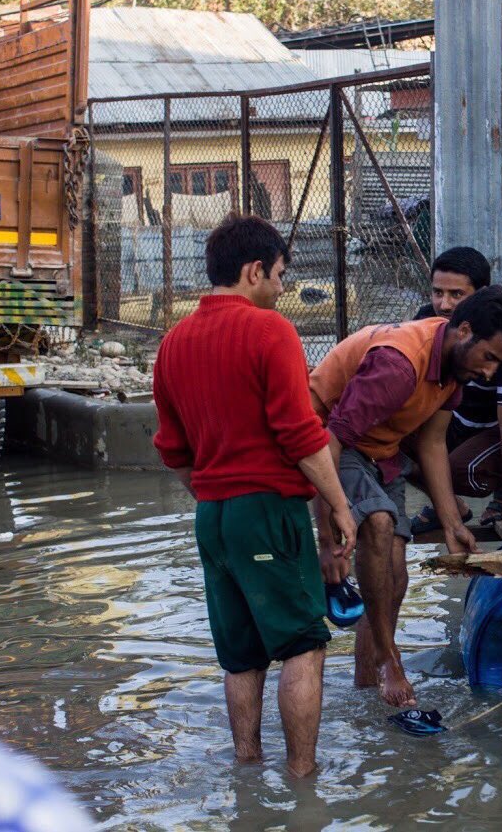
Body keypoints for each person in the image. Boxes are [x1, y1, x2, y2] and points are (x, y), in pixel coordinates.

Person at [152, 214, 357, 778]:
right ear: (254, 271)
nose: (283, 288)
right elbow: (300, 433)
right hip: (268, 509)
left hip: (212, 517)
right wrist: (339, 506)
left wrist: (216, 496)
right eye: (280, 275)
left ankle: (246, 769)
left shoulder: (172, 343)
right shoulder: (272, 331)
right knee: (303, 645)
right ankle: (303, 780)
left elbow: (173, 449)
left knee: (240, 655)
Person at [308, 287, 502, 707]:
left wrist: (452, 524)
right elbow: (328, 442)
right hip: (327, 441)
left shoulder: (454, 366)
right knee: (378, 522)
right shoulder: (399, 365)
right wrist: (327, 540)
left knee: (394, 576)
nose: (490, 373)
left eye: (499, 365)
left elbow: (431, 443)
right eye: (488, 358)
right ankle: (389, 661)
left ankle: (366, 687)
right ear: (464, 331)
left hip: (381, 449)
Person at [409, 247, 502, 535]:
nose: (444, 305)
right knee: (394, 450)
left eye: (456, 294)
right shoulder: (426, 320)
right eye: (438, 293)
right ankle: (450, 506)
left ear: (480, 295)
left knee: (458, 472)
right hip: (460, 420)